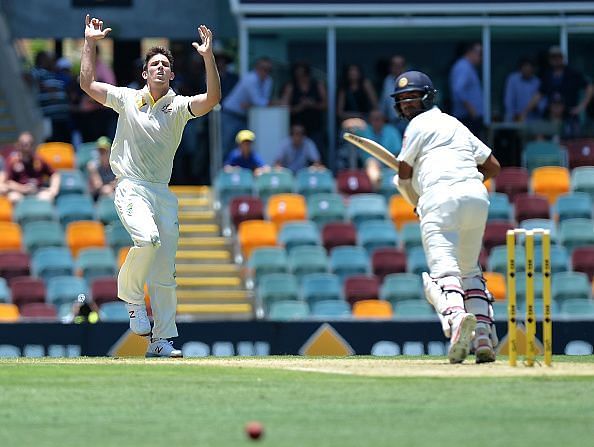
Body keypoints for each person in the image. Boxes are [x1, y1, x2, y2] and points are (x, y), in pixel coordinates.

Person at [79, 15, 221, 357]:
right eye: (154, 64)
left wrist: (208, 56)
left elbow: (213, 98)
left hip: (162, 191)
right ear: (145, 73)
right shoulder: (126, 99)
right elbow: (87, 84)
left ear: (171, 75)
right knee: (148, 239)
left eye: (165, 65)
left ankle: (161, 340)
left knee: (164, 272)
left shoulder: (179, 106)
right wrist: (90, 42)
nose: (159, 68)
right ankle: (130, 297)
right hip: (130, 186)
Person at [391, 71, 501, 364]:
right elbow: (492, 166)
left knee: (444, 274)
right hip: (476, 196)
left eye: (412, 97)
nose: (407, 104)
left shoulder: (416, 126)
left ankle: (455, 322)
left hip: (438, 198)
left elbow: (404, 176)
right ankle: (482, 336)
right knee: (469, 271)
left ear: (427, 97)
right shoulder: (455, 123)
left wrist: (414, 200)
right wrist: (469, 181)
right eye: (403, 99)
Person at [521, 46, 593, 138]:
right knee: (541, 136)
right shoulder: (547, 75)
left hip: (570, 117)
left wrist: (582, 106)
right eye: (553, 57)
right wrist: (525, 112)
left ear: (562, 58)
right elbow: (539, 95)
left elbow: (590, 87)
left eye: (558, 57)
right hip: (550, 118)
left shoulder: (572, 74)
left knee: (574, 141)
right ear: (550, 59)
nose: (556, 59)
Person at [221, 57, 273, 154]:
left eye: (269, 70)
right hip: (230, 115)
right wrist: (259, 103)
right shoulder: (250, 79)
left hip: (244, 117)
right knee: (225, 146)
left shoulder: (268, 81)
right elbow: (259, 101)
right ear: (256, 68)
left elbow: (263, 102)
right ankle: (220, 169)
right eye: (263, 68)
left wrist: (253, 104)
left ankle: (237, 169)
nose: (265, 72)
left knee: (243, 146)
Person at [280, 61, 327, 152]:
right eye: (298, 74)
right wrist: (299, 107)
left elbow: (326, 104)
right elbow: (284, 107)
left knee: (317, 152)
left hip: (315, 126)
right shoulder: (291, 86)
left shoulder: (317, 85)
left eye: (303, 74)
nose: (301, 77)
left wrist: (313, 104)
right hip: (296, 127)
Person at [5, 131, 60, 203]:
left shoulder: (39, 160)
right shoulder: (12, 161)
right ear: (18, 145)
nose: (26, 146)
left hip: (37, 191)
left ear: (33, 145)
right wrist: (21, 188)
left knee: (47, 197)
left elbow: (54, 174)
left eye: (29, 143)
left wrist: (53, 189)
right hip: (20, 192)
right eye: (23, 144)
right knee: (13, 197)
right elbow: (7, 182)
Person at [356, 109, 402, 187]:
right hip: (369, 164)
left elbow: (398, 152)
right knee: (372, 163)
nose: (376, 121)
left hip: (389, 163)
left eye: (378, 119)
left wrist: (388, 162)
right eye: (373, 119)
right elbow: (346, 127)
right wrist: (358, 121)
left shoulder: (392, 131)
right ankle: (376, 189)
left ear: (383, 120)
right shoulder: (364, 130)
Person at [449, 42, 484, 138]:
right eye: (480, 53)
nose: (481, 57)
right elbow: (458, 90)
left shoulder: (468, 67)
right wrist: (472, 110)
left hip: (470, 117)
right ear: (470, 52)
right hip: (466, 118)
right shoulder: (463, 67)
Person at [503, 58, 541, 122]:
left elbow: (541, 103)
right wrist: (513, 115)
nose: (527, 70)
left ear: (533, 69)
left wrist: (535, 107)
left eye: (529, 68)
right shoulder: (513, 79)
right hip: (514, 119)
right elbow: (508, 101)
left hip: (533, 120)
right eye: (525, 67)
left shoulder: (537, 82)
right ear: (520, 68)